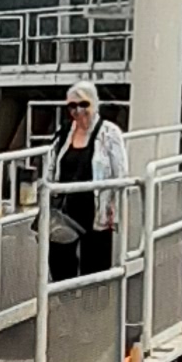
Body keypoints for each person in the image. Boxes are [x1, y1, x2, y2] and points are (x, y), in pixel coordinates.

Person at [51, 81, 127, 277]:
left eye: (84, 104)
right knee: (59, 261)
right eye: (72, 106)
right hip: (66, 210)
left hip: (96, 211)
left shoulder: (110, 133)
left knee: (94, 267)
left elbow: (120, 173)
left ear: (94, 103)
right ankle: (66, 295)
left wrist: (115, 211)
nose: (78, 111)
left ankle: (91, 297)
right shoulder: (64, 132)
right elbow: (52, 166)